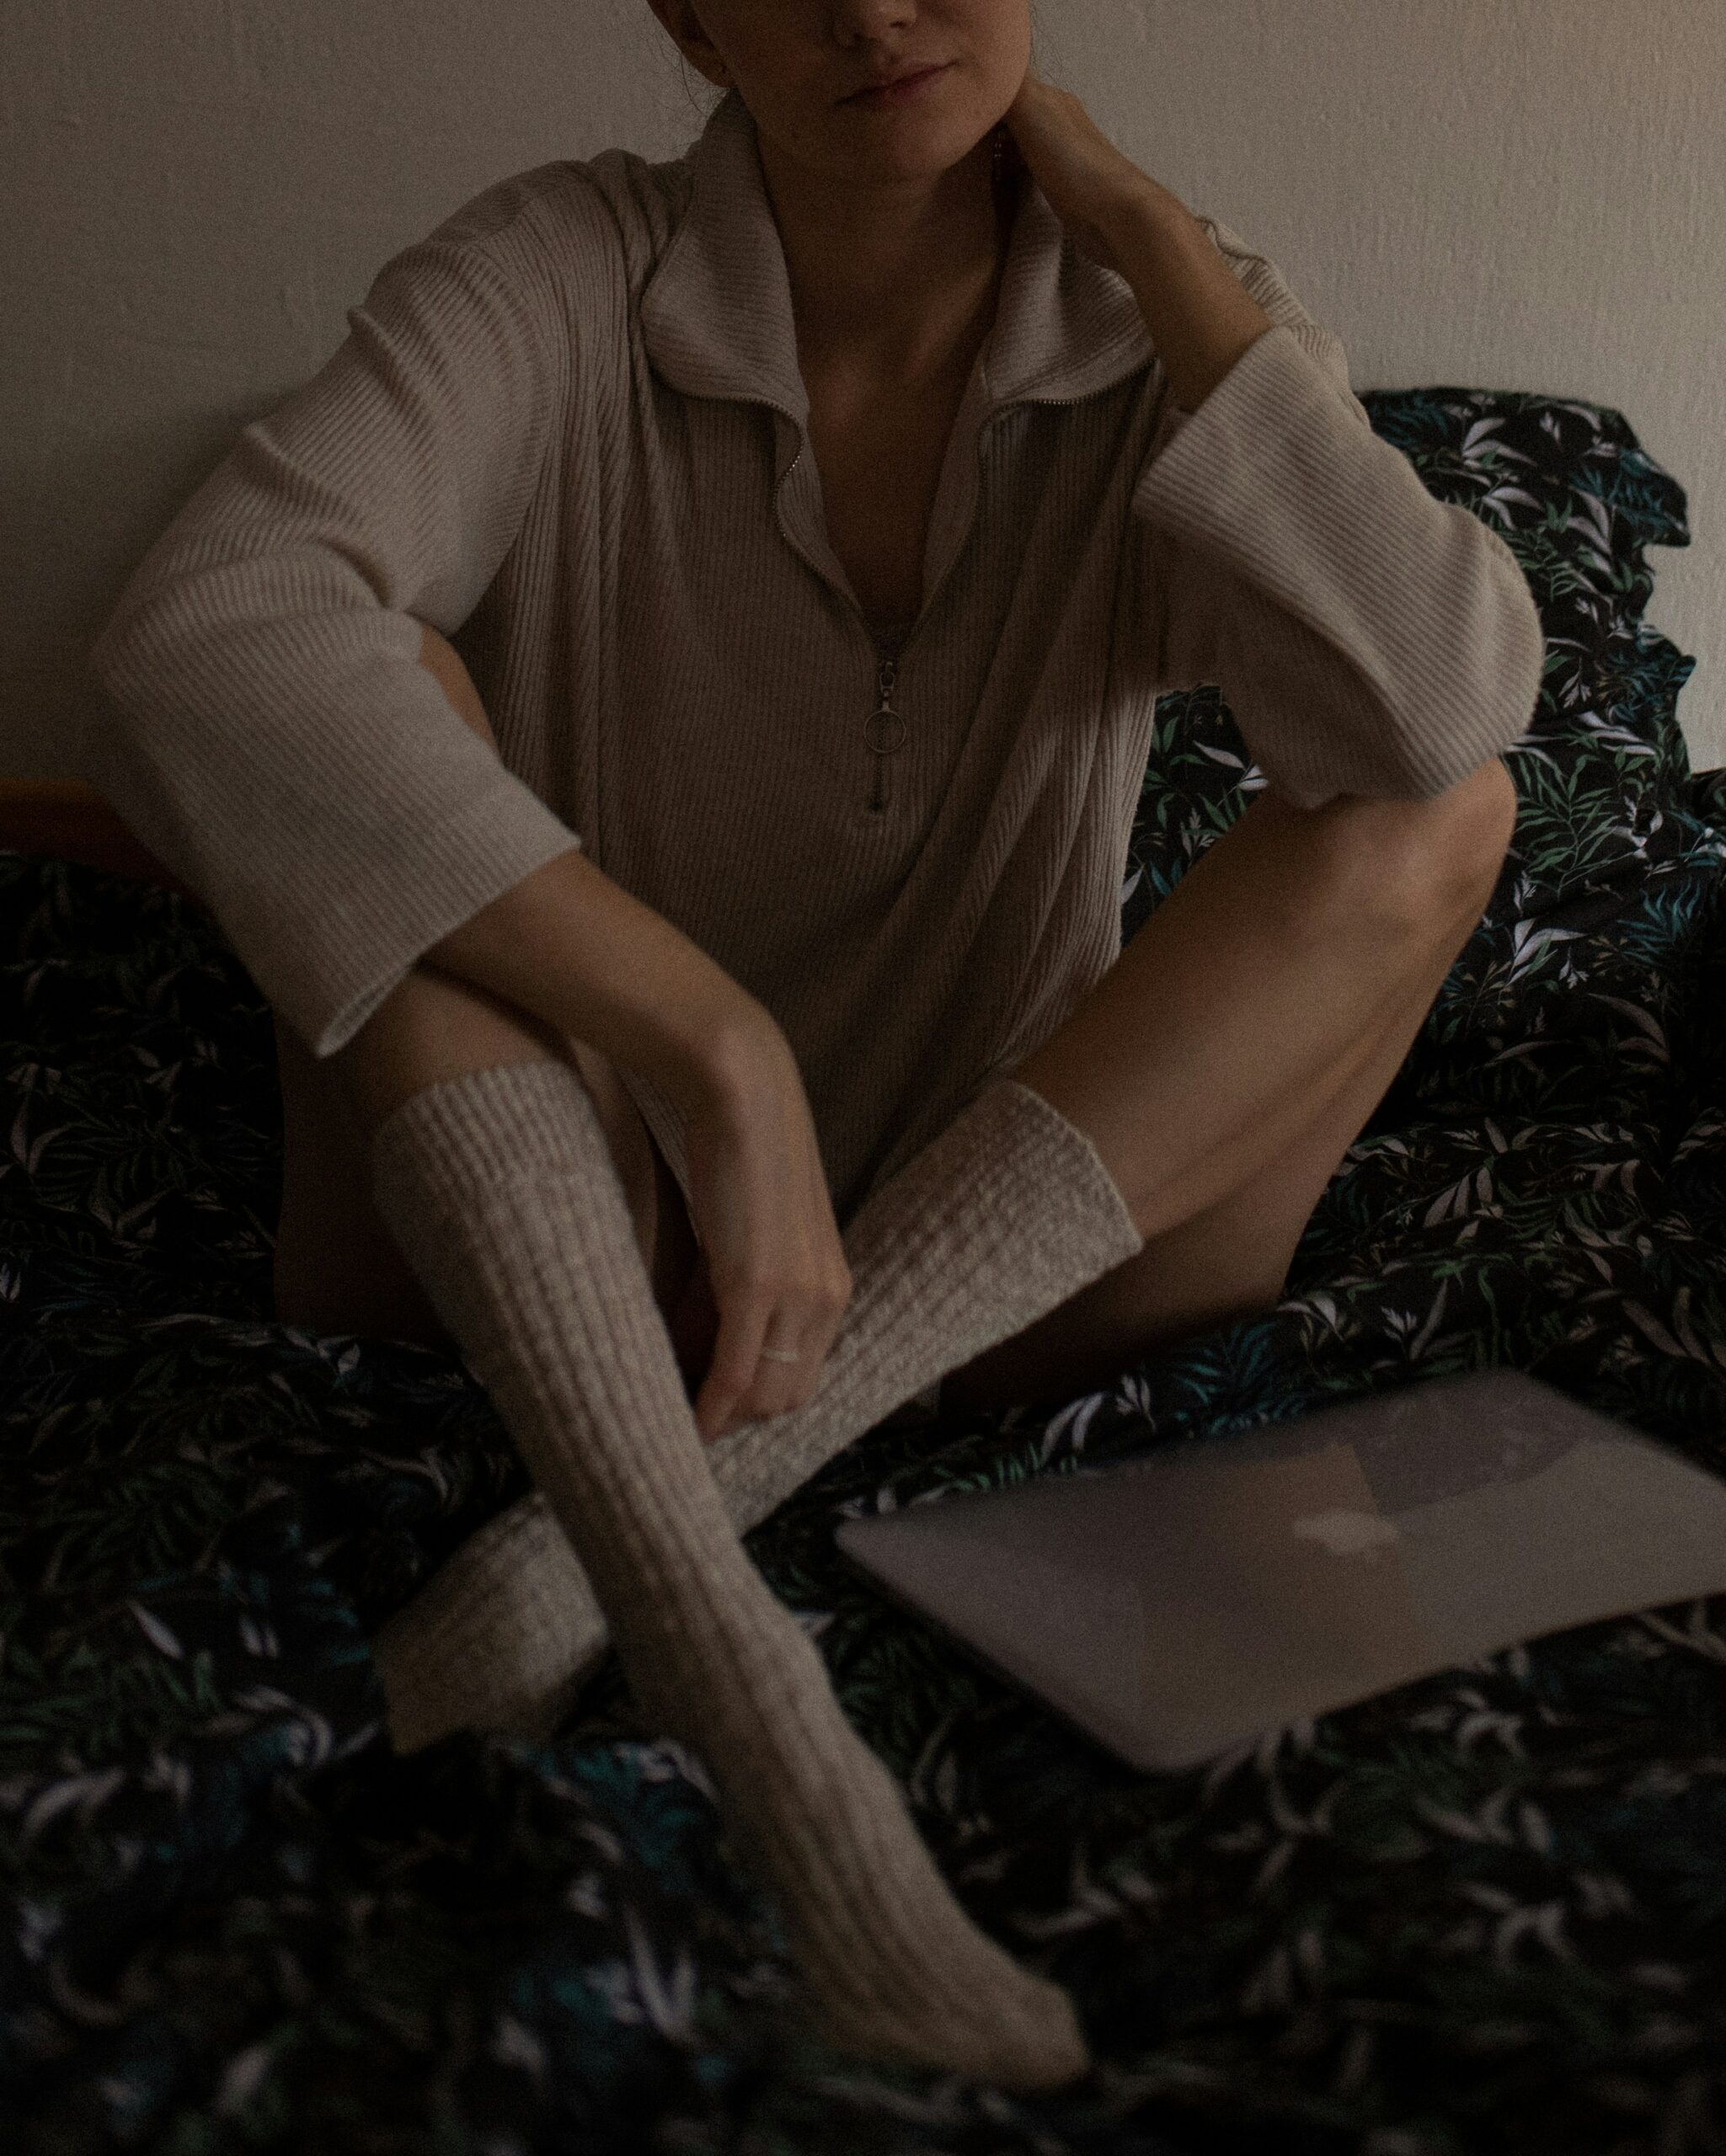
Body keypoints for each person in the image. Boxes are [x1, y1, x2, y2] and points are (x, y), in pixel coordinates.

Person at [80, 0, 1540, 2089]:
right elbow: (198, 631)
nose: (868, 6)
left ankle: (605, 1546)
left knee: (1442, 810)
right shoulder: (562, 266)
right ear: (682, 14)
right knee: (350, 662)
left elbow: (1431, 705)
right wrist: (711, 1045)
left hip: (997, 1283)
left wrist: (1141, 228)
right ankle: (740, 1678)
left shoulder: (1152, 324)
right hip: (556, 1256)